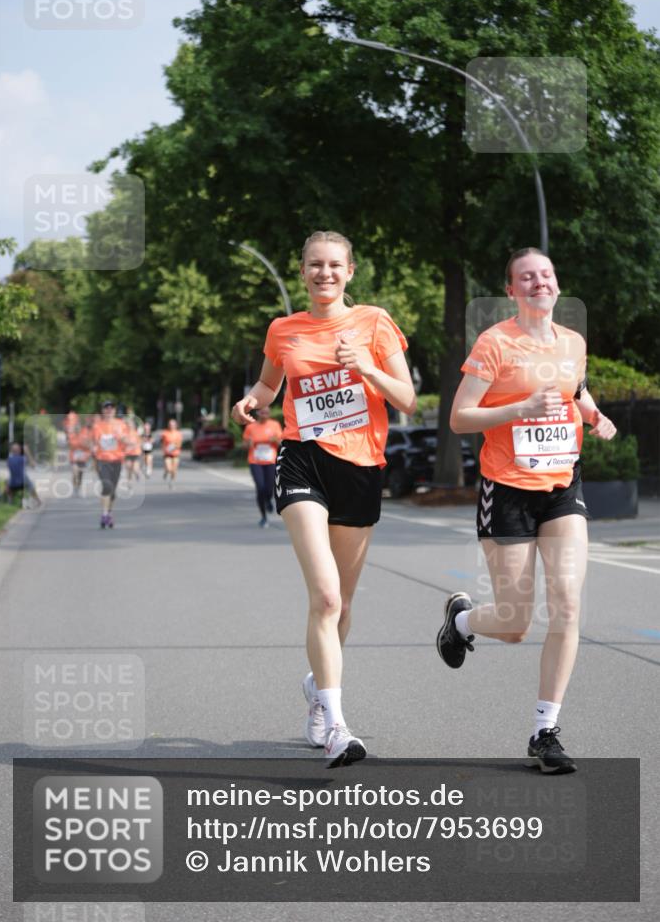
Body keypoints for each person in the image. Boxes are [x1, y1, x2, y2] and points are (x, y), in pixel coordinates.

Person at [232, 230, 416, 767]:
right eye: (315, 264)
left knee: (345, 605)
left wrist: (366, 367)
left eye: (335, 265)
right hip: (303, 460)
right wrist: (252, 400)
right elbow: (269, 387)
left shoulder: (374, 323)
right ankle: (337, 725)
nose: (324, 273)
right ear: (302, 270)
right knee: (327, 597)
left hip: (360, 468)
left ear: (350, 271)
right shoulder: (283, 329)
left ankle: (317, 685)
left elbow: (405, 399)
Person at [437, 247, 616, 773]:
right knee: (515, 623)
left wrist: (594, 416)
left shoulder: (573, 343)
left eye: (547, 275)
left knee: (567, 605)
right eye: (527, 277)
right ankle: (463, 620)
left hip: (562, 485)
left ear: (557, 286)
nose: (540, 283)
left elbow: (574, 389)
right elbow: (460, 418)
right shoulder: (495, 344)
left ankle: (545, 730)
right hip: (507, 488)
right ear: (512, 290)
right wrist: (518, 408)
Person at [91, 400, 130, 528]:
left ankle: (109, 512)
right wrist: (93, 453)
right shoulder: (97, 426)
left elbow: (128, 440)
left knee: (112, 491)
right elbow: (94, 443)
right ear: (102, 411)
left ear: (114, 411)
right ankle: (104, 514)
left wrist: (121, 437)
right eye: (106, 408)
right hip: (102, 460)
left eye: (111, 408)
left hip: (117, 460)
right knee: (106, 486)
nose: (109, 410)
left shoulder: (121, 424)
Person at [243, 407, 283, 527]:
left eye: (266, 413)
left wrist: (275, 440)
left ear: (269, 414)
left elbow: (281, 442)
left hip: (270, 461)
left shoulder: (274, 425)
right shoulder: (251, 427)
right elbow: (244, 445)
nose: (264, 414)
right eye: (262, 412)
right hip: (255, 461)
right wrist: (248, 444)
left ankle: (268, 500)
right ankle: (263, 516)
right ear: (258, 413)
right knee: (260, 487)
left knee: (270, 487)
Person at [6, 442, 41, 507]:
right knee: (30, 484)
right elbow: (33, 465)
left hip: (12, 484)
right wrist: (27, 452)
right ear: (19, 450)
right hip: (23, 482)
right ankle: (37, 500)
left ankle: (10, 501)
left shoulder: (9, 459)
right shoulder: (22, 458)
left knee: (8, 481)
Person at [67, 420, 92, 495]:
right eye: (76, 428)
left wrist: (84, 444)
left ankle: (79, 486)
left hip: (82, 458)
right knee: (75, 471)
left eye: (78, 428)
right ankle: (75, 486)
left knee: (80, 473)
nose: (77, 429)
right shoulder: (71, 436)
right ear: (74, 429)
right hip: (74, 457)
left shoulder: (84, 436)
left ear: (80, 428)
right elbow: (71, 446)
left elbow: (89, 446)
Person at [161, 419, 182, 487]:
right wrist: (165, 449)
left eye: (173, 425)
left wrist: (173, 446)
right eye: (170, 425)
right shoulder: (165, 433)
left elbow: (179, 444)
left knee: (174, 470)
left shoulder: (178, 433)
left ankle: (172, 481)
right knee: (169, 468)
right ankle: (166, 472)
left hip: (175, 453)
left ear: (176, 425)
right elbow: (163, 443)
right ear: (168, 425)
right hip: (167, 454)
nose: (171, 426)